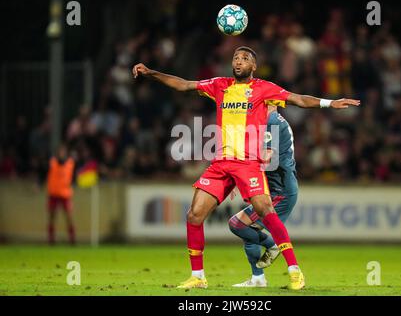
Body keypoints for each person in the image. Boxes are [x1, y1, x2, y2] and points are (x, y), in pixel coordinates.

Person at [132, 46, 360, 290]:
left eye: (245, 59)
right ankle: (198, 277)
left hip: (247, 164)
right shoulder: (219, 85)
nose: (239, 61)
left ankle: (295, 271)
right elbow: (184, 84)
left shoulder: (265, 89)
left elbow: (299, 99)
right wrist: (151, 73)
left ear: (254, 66)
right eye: (236, 58)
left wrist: (329, 103)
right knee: (194, 215)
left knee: (265, 210)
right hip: (221, 164)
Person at [229, 106, 298, 287]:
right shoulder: (272, 120)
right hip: (276, 188)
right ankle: (258, 278)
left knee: (238, 224)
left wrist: (241, 177)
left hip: (280, 192)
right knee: (248, 230)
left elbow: (267, 157)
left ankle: (273, 245)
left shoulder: (271, 121)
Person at [46, 144, 76, 245]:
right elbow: (44, 173)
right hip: (53, 193)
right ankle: (51, 240)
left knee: (69, 217)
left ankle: (72, 239)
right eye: (60, 151)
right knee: (52, 217)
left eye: (63, 152)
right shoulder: (52, 163)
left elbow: (74, 177)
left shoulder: (70, 164)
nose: (61, 153)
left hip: (65, 194)